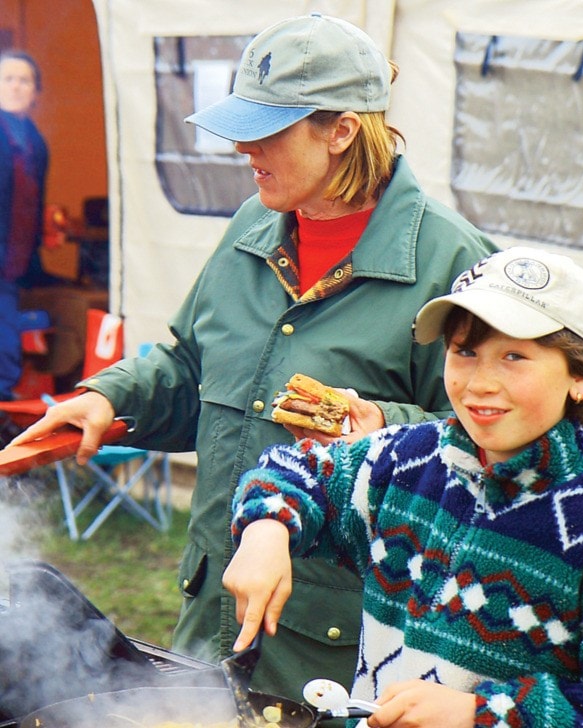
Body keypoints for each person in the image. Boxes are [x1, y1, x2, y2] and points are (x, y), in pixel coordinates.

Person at [7, 13, 496, 708]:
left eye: (267, 130)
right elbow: (190, 367)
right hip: (210, 620)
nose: (241, 147)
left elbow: (494, 452)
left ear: (340, 130)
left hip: (344, 657)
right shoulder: (249, 230)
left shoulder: (452, 264)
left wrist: (373, 424)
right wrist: (110, 396)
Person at [223, 246, 583, 727]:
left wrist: (483, 715)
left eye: (514, 356)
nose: (480, 383)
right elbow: (298, 469)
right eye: (465, 351)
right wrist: (267, 528)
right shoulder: (410, 460)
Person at [0, 50, 48, 402]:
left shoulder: (35, 139)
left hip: (14, 258)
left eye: (24, 80)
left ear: (35, 91)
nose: (16, 87)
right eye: (8, 79)